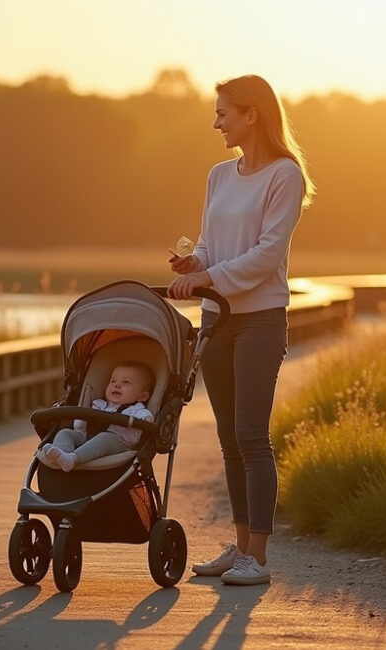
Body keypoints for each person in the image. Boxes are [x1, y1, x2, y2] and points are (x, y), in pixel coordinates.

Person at [166, 74, 315, 586]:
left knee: (252, 434)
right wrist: (194, 265)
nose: (216, 122)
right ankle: (240, 546)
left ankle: (260, 557)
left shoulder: (285, 175)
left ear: (252, 114)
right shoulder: (218, 175)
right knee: (229, 438)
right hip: (217, 320)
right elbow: (211, 244)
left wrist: (211, 276)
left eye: (223, 113)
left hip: (260, 320)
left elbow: (266, 256)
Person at [42, 361, 156, 472]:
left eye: (126, 382)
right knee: (65, 433)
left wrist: (144, 420)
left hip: (119, 444)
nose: (117, 385)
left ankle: (73, 459)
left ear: (143, 396)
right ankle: (63, 455)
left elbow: (147, 420)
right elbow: (82, 422)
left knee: (105, 438)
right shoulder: (99, 404)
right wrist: (80, 428)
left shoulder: (137, 410)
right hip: (89, 437)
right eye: (113, 381)